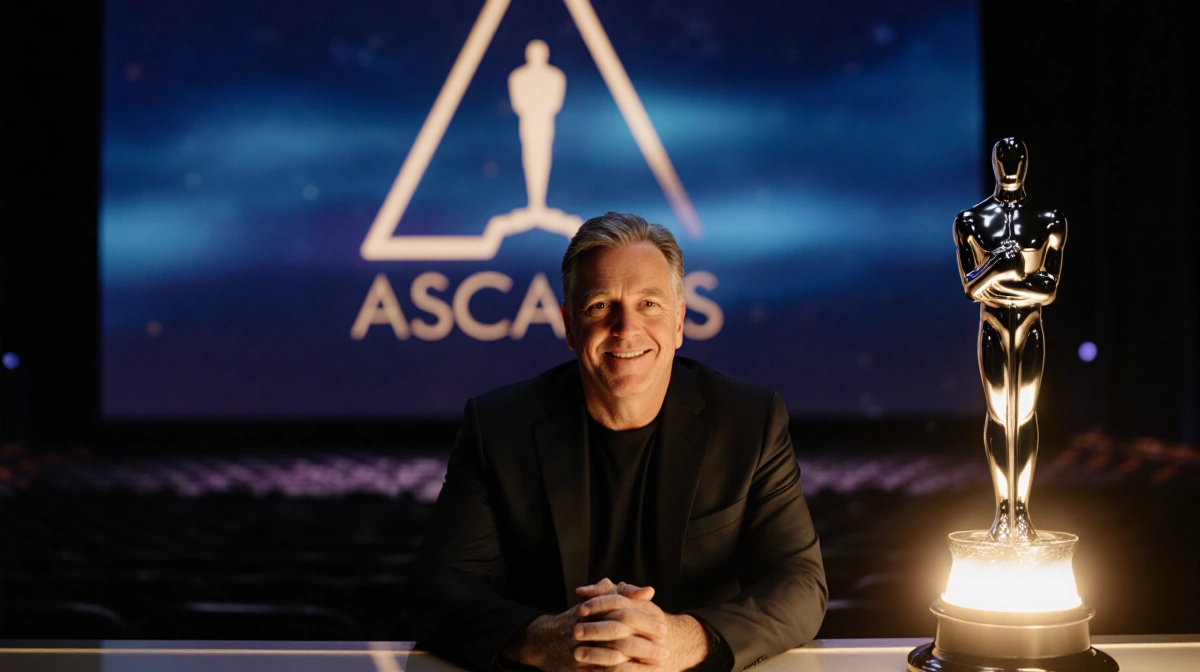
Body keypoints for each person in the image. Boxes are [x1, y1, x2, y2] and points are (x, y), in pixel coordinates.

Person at [408, 213, 827, 672]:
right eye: (600, 306)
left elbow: (801, 585)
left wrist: (684, 640)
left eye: (649, 304)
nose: (626, 329)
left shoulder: (750, 420)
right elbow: (438, 588)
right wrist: (542, 638)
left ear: (680, 320)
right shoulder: (498, 427)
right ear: (570, 326)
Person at [953, 138, 1066, 544]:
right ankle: (1004, 511)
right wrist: (1003, 269)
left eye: (1017, 157)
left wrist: (997, 279)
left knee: (1025, 415)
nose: (1011, 164)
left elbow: (1049, 289)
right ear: (996, 163)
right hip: (994, 327)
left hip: (1029, 326)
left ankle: (1022, 511)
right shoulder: (970, 220)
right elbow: (970, 289)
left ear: (1027, 161)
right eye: (1005, 158)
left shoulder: (1049, 220)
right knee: (1000, 415)